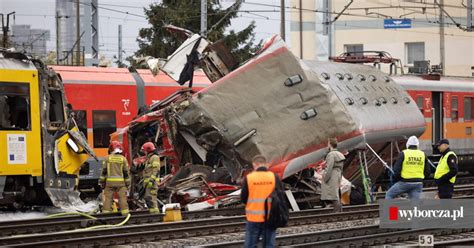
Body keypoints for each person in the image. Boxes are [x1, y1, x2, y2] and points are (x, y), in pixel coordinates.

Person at [241, 155, 283, 248]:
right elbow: (280, 197)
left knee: (250, 245)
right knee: (269, 245)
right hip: (270, 217)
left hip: (253, 218)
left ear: (254, 165)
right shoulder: (274, 177)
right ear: (266, 164)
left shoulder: (249, 178)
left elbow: (243, 198)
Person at [385, 136, 430, 200]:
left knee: (389, 195)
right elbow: (428, 171)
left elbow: (396, 170)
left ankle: (392, 210)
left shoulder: (403, 153)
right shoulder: (423, 154)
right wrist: (420, 179)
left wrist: (399, 179)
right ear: (417, 145)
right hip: (418, 183)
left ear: (407, 144)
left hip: (404, 182)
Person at [100, 141, 130, 215]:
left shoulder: (107, 158)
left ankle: (106, 214)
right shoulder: (123, 159)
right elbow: (126, 173)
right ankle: (125, 214)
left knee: (108, 199)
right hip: (121, 184)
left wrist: (102, 182)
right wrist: (127, 184)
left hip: (109, 183)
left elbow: (103, 172)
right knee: (122, 198)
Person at [321, 138, 345, 212]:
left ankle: (336, 213)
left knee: (334, 196)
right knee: (336, 194)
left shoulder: (331, 154)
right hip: (337, 174)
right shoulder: (340, 154)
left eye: (328, 143)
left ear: (330, 145)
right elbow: (342, 168)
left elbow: (329, 168)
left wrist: (324, 178)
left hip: (332, 175)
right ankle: (339, 211)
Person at [141, 142, 161, 213]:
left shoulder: (154, 157)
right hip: (148, 183)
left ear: (148, 150)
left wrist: (151, 180)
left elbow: (156, 170)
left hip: (152, 183)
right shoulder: (149, 158)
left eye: (144, 150)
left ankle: (156, 214)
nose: (144, 152)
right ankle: (153, 213)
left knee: (151, 198)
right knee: (148, 198)